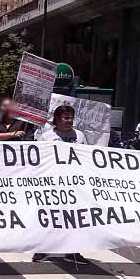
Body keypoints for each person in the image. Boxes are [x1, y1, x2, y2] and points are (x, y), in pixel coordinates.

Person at [31, 105, 91, 264]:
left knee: (75, 218)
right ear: (57, 119)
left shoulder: (79, 136)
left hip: (74, 185)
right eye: (65, 117)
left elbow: (87, 156)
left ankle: (72, 252)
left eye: (71, 117)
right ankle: (42, 250)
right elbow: (38, 159)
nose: (69, 121)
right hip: (52, 184)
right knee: (50, 216)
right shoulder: (47, 137)